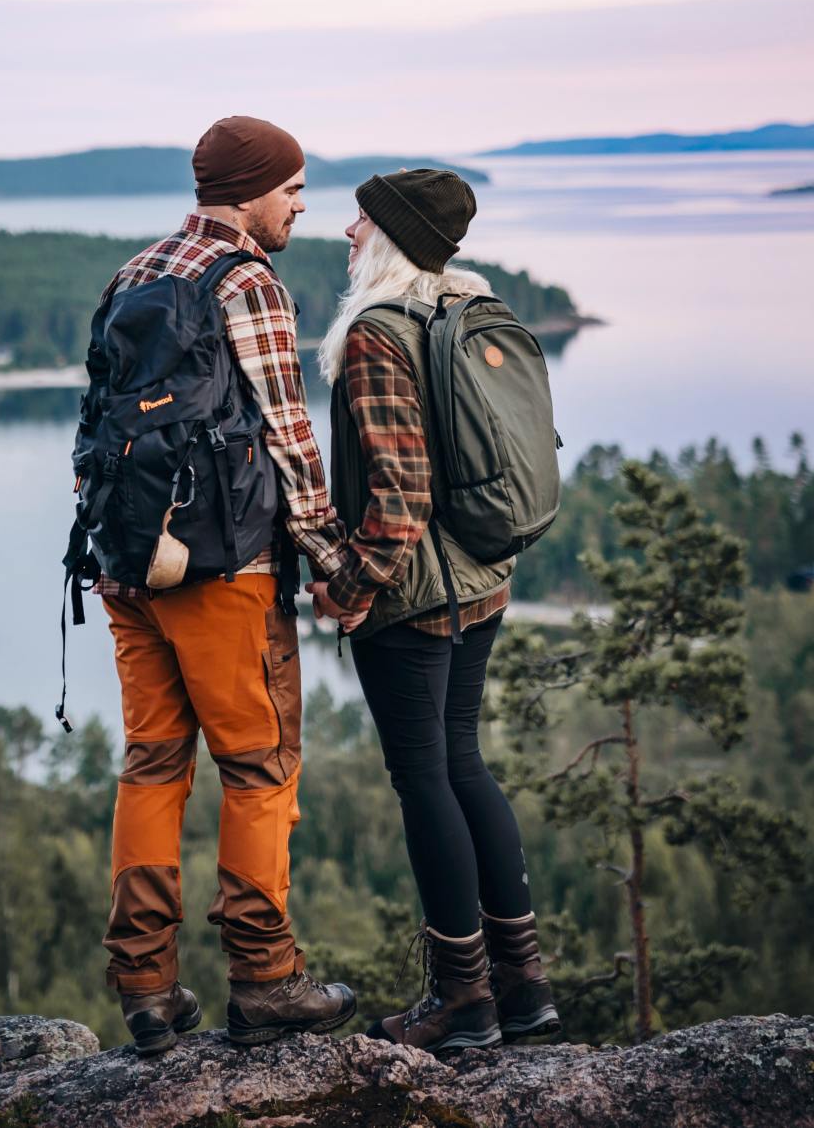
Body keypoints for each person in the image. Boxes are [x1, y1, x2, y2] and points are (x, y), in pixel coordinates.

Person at [95, 116, 355, 1055]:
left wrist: (120, 548)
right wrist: (332, 560)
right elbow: (288, 433)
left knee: (154, 763)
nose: (298, 204)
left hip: (129, 567)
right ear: (248, 190)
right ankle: (267, 977)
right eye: (289, 187)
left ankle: (146, 985)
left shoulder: (137, 270)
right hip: (225, 571)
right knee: (258, 764)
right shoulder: (245, 278)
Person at [307, 168, 560, 1053]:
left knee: (426, 779)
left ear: (392, 237)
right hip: (483, 581)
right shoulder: (463, 307)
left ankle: (463, 999)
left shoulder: (380, 333)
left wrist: (346, 586)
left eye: (361, 220)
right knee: (465, 765)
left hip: (414, 600)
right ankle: (523, 986)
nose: (346, 233)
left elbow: (401, 497)